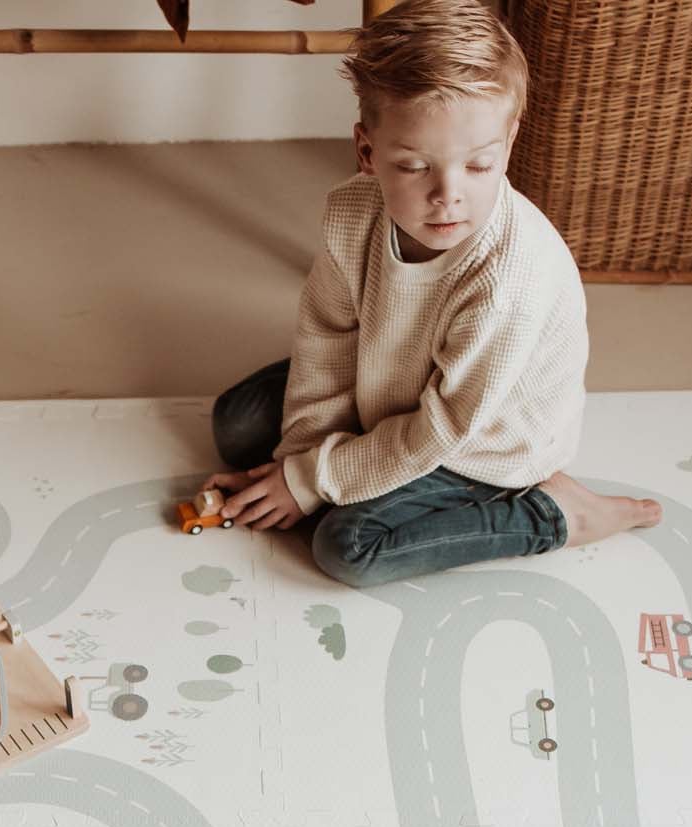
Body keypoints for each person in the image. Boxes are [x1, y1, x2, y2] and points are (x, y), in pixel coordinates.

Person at [205, 0, 659, 588]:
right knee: (236, 426)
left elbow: (441, 428)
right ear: (368, 152)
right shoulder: (351, 214)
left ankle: (555, 512)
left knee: (346, 546)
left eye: (479, 165)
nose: (448, 195)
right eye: (415, 166)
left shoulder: (508, 279)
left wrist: (314, 482)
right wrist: (304, 464)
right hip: (391, 382)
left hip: (481, 438)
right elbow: (327, 339)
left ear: (508, 141)